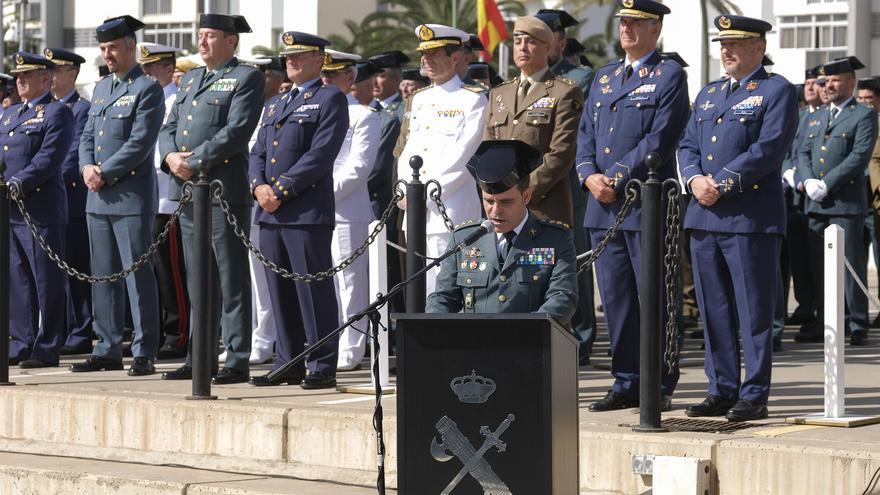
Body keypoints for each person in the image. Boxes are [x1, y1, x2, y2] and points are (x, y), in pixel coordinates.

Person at [679, 15, 798, 421]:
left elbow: (768, 148)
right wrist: (694, 180)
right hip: (704, 216)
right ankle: (722, 388)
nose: (726, 51)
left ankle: (754, 393)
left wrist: (721, 184)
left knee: (753, 311)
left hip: (749, 218)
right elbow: (687, 144)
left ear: (759, 48)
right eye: (722, 43)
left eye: (737, 43)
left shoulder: (775, 90)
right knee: (714, 312)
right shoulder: (710, 93)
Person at [576, 0, 689, 412]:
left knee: (652, 296)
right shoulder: (605, 77)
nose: (627, 29)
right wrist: (589, 175)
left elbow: (659, 139)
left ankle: (657, 382)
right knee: (617, 300)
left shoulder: (669, 75)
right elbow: (586, 133)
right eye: (624, 22)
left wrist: (617, 177)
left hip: (642, 204)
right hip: (601, 207)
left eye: (637, 23)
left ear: (655, 29)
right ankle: (625, 380)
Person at [158, 14, 264, 384]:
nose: (202, 43)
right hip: (188, 191)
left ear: (231, 41)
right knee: (197, 278)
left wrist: (195, 161)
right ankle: (199, 356)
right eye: (200, 36)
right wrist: (171, 158)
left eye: (210, 37)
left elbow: (236, 131)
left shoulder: (247, 77)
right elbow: (170, 127)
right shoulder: (190, 79)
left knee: (230, 279)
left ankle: (236, 359)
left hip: (221, 191)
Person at [247, 31, 348, 388]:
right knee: (279, 290)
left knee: (312, 290)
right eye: (288, 56)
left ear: (320, 59)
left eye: (300, 56)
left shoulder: (330, 98)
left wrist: (280, 189)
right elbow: (258, 150)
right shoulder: (275, 102)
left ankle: (321, 364)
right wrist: (258, 187)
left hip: (304, 211)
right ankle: (288, 360)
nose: (291, 61)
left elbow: (319, 156)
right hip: (270, 211)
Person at [69, 16, 163, 377]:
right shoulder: (102, 88)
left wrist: (103, 171)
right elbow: (87, 137)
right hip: (98, 197)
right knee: (103, 276)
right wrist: (86, 167)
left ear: (130, 47)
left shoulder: (147, 88)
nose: (107, 54)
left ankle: (144, 350)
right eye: (103, 48)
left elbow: (140, 143)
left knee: (136, 277)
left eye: (113, 47)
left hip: (129, 196)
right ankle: (106, 346)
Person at [427, 139, 577, 320]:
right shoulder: (465, 239)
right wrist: (434, 327)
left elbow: (562, 297)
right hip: (474, 344)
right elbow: (443, 297)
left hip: (531, 343)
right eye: (489, 201)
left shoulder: (554, 239)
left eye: (506, 202)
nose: (495, 210)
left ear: (526, 196)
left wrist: (528, 332)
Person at [393, 23, 487, 296]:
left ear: (455, 57)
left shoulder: (473, 100)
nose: (426, 60)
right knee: (419, 290)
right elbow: (408, 149)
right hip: (413, 206)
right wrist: (404, 188)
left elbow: (464, 157)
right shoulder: (420, 99)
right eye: (424, 54)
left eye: (434, 53)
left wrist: (424, 193)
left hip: (450, 207)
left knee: (451, 287)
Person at [795, 56, 877, 346]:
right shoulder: (816, 116)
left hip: (845, 202)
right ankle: (826, 318)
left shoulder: (863, 115)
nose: (828, 85)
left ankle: (857, 322)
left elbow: (858, 157)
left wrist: (826, 184)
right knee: (819, 267)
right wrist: (807, 180)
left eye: (834, 80)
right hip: (815, 203)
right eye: (826, 80)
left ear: (850, 82)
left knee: (850, 264)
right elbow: (802, 152)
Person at [1, 52, 73, 368]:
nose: (20, 81)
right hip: (11, 209)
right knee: (18, 280)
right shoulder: (9, 115)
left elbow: (48, 159)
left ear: (45, 79)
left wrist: (17, 183)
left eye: (27, 75)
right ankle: (21, 341)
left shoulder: (57, 112)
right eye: (18, 76)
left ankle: (47, 346)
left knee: (46, 280)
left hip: (40, 208)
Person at [536, 8, 598, 365]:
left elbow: (567, 137)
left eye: (546, 38)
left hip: (567, 188)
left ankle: (582, 338)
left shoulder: (579, 79)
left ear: (559, 41)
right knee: (538, 267)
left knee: (574, 266)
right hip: (531, 188)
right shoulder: (526, 82)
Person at [485, 16, 583, 227]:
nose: (522, 48)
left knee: (538, 262)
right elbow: (487, 151)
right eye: (518, 41)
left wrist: (522, 192)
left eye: (530, 42)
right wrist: (496, 192)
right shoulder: (499, 93)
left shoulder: (564, 92)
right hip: (500, 209)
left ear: (547, 47)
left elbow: (561, 155)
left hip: (543, 210)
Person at [320, 51, 382, 371]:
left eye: (334, 74)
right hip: (317, 209)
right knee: (325, 282)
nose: (326, 80)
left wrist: (321, 194)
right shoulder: (320, 109)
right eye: (324, 74)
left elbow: (359, 168)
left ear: (350, 77)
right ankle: (329, 343)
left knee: (350, 283)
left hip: (346, 209)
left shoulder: (363, 116)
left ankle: (353, 347)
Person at [138, 41, 191, 361]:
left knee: (171, 272)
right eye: (143, 68)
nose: (145, 73)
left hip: (165, 200)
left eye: (152, 68)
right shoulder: (145, 101)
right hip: (143, 197)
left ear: (170, 70)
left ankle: (178, 333)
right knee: (150, 273)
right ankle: (158, 330)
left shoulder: (176, 103)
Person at [44, 47, 93, 356]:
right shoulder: (42, 109)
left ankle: (81, 331)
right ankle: (56, 329)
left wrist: (48, 179)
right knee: (51, 273)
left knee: (76, 268)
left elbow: (73, 152)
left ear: (72, 74)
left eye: (56, 70)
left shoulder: (81, 109)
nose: (50, 76)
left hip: (70, 198)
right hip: (44, 201)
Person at [244, 56, 285, 366]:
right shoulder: (256, 109)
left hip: (279, 201)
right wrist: (257, 186)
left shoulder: (280, 106)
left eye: (264, 75)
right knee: (258, 279)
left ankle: (273, 339)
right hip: (255, 201)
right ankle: (262, 337)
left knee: (277, 278)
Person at [780, 67, 823, 331]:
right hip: (794, 195)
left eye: (816, 82)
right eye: (807, 82)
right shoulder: (800, 115)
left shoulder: (823, 116)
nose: (810, 87)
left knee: (819, 258)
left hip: (818, 193)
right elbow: (786, 150)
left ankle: (822, 310)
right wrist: (789, 173)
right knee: (799, 258)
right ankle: (805, 306)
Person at [857, 76, 880, 326]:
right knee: (854, 257)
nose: (864, 103)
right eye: (860, 98)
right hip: (855, 198)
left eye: (869, 99)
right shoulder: (854, 121)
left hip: (876, 200)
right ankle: (857, 312)